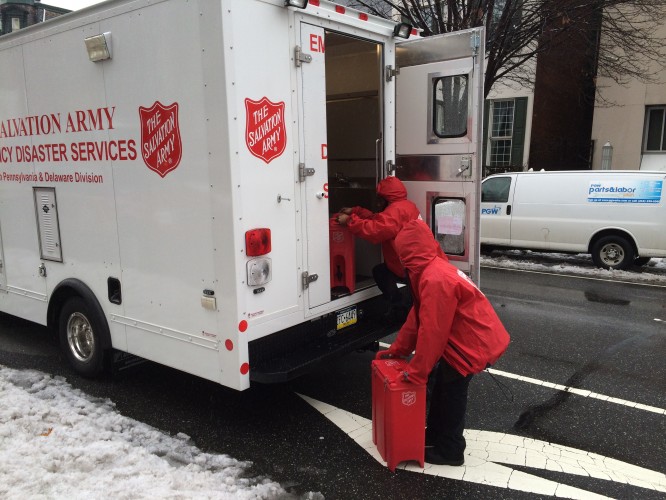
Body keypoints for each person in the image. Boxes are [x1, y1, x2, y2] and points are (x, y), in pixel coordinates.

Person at [376, 219, 510, 466]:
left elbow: (433, 332)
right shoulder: (429, 268)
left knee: (451, 394)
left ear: (405, 254)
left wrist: (417, 371)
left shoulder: (434, 278)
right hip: (469, 340)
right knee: (440, 386)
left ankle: (451, 450)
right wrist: (398, 350)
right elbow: (417, 317)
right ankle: (435, 436)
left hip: (471, 346)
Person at [336, 176, 421, 322]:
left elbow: (375, 230)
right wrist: (356, 211)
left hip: (408, 267)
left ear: (387, 198)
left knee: (382, 273)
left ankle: (401, 310)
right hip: (414, 264)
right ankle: (403, 308)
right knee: (381, 271)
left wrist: (349, 220)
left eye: (380, 198)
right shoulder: (405, 206)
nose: (378, 202)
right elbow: (380, 220)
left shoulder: (395, 212)